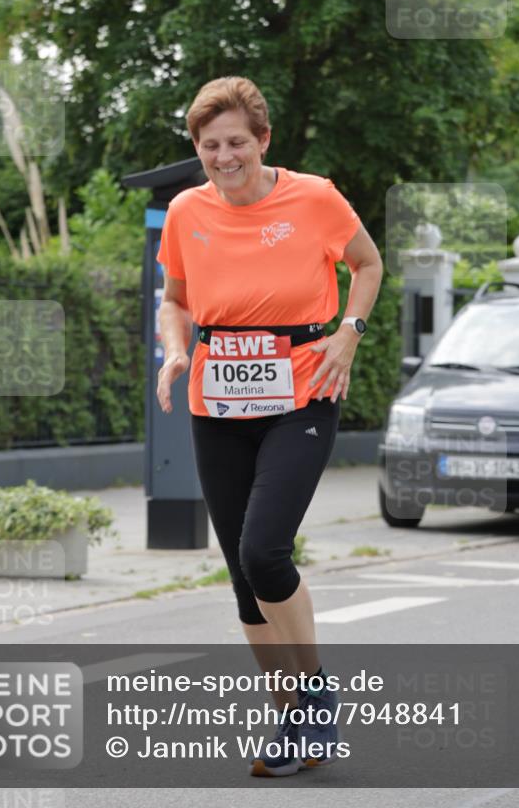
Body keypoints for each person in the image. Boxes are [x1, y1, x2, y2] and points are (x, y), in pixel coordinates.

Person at [156, 76, 383, 777]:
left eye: (235, 143)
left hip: (301, 390)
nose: (223, 157)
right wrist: (174, 348)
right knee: (240, 578)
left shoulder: (313, 197)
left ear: (263, 141)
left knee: (263, 552)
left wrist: (348, 331)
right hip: (217, 401)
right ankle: (292, 724)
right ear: (197, 149)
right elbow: (175, 300)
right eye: (208, 146)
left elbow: (367, 264)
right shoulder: (185, 210)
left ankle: (314, 697)